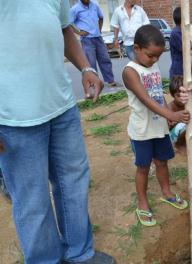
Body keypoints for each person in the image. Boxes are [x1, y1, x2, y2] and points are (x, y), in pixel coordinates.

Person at [0, 1, 115, 263]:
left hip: (62, 108)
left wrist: (86, 67)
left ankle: (80, 253)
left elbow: (64, 30)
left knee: (74, 184)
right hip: (13, 120)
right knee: (32, 201)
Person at [122, 25, 190, 227]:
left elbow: (157, 96)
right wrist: (172, 114)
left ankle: (166, 192)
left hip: (158, 127)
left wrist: (166, 116)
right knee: (143, 167)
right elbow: (146, 100)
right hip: (142, 130)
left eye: (158, 57)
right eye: (151, 55)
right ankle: (142, 202)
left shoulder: (153, 66)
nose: (154, 60)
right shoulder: (130, 72)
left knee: (162, 162)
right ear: (136, 48)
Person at [70, 0, 118, 87]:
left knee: (105, 59)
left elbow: (101, 17)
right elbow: (69, 23)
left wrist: (99, 30)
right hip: (86, 39)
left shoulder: (94, 5)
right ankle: (94, 82)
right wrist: (79, 32)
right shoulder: (75, 9)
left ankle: (110, 80)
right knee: (90, 62)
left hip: (98, 37)